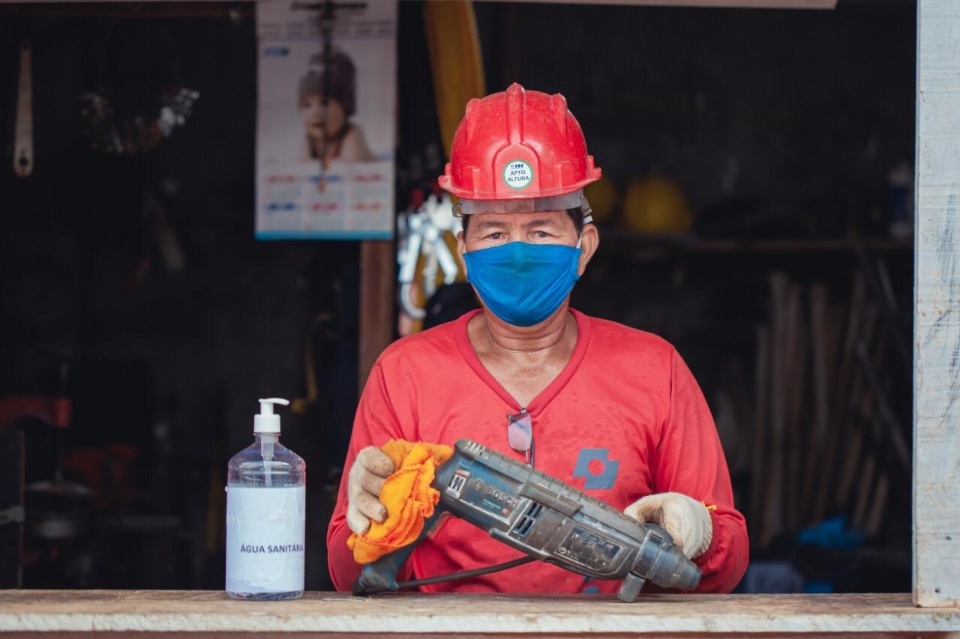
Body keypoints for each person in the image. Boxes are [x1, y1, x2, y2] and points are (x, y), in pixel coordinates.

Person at [326, 83, 749, 595]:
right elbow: (348, 574)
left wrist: (699, 531)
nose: (519, 254)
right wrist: (370, 519)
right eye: (494, 232)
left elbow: (728, 564)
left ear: (584, 247)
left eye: (542, 230)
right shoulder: (404, 374)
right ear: (463, 252)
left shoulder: (655, 369)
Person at [298, 50, 375, 166]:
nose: (315, 112)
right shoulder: (309, 140)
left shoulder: (351, 133)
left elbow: (353, 165)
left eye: (324, 103)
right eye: (307, 105)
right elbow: (301, 167)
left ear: (345, 108)